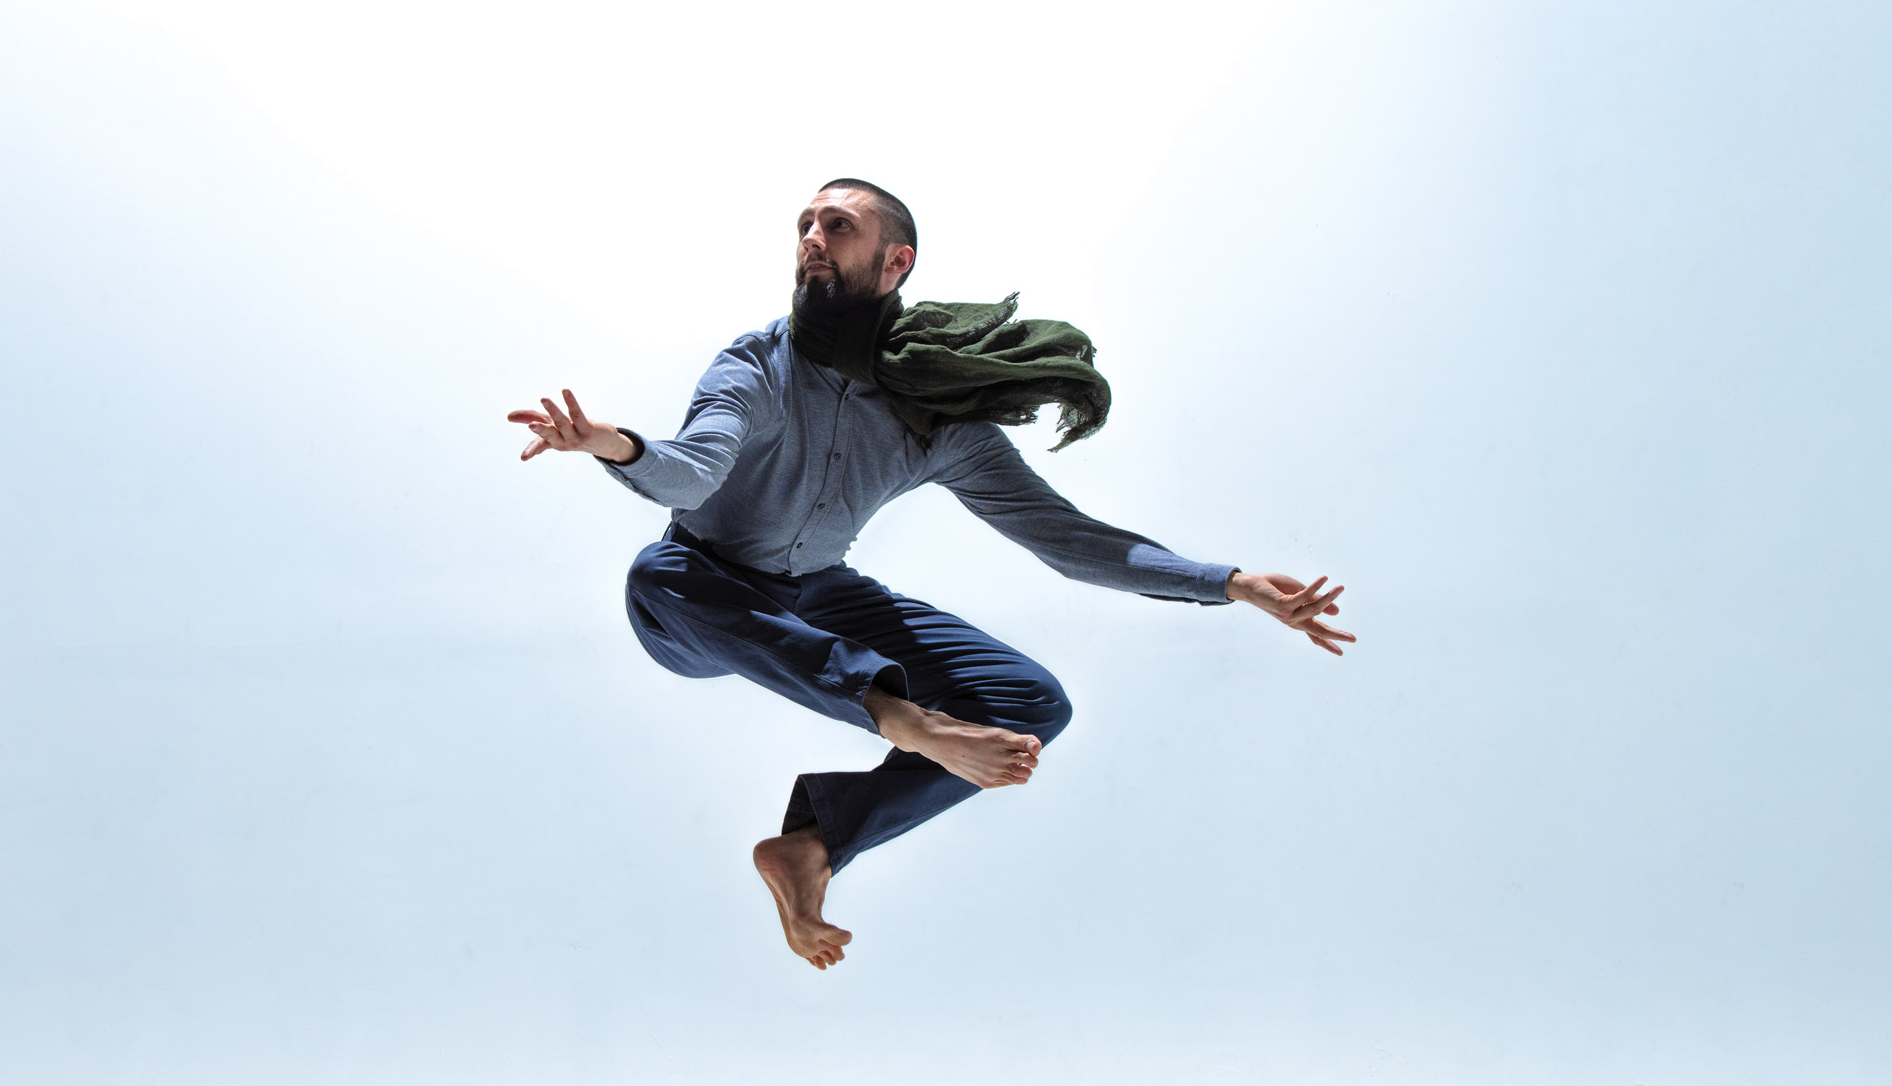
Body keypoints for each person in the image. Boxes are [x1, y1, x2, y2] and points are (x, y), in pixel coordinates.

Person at [508, 179, 1351, 970]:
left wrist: (1229, 583)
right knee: (654, 572)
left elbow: (1063, 537)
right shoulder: (758, 364)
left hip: (820, 593)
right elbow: (695, 470)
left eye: (838, 226)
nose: (812, 238)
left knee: (1034, 704)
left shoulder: (935, 414)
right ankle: (898, 715)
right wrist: (615, 445)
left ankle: (813, 847)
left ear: (895, 261)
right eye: (805, 225)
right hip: (701, 595)